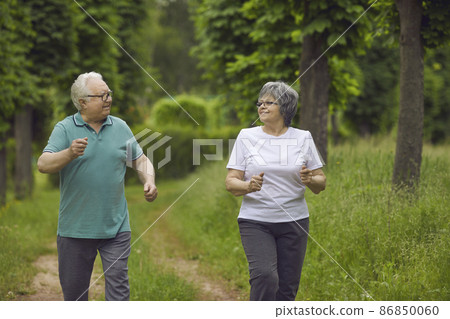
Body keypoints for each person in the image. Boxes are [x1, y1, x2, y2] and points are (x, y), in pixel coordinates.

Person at [37, 72, 157, 301]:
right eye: (101, 95)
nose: (108, 99)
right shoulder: (64, 129)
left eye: (109, 94)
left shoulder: (120, 127)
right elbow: (43, 164)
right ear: (82, 102)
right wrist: (69, 153)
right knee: (75, 297)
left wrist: (149, 180)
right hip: (75, 230)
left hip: (116, 228)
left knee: (119, 293)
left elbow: (140, 160)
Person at [225, 81, 326, 301]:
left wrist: (310, 179)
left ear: (285, 107)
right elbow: (231, 182)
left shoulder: (302, 137)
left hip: (295, 221)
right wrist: (248, 186)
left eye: (269, 102)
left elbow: (321, 182)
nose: (261, 106)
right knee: (265, 276)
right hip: (256, 220)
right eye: (259, 103)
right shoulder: (246, 136)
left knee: (287, 288)